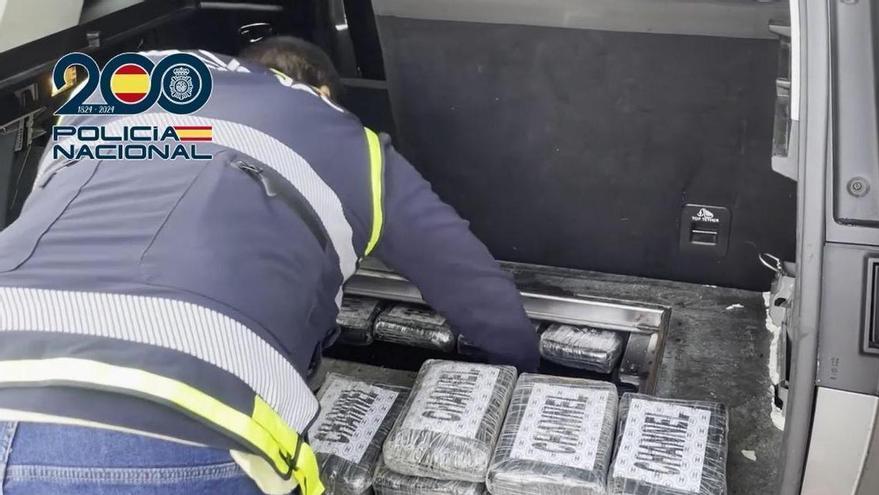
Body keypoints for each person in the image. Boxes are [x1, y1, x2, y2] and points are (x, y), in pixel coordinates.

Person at [0, 36, 539, 495]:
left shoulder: (125, 88)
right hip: (176, 422)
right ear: (322, 92)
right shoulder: (352, 144)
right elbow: (478, 293)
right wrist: (518, 383)